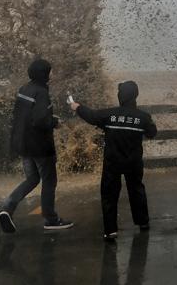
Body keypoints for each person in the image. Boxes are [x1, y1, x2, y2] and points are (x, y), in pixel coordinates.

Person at [70, 80, 157, 241]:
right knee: (136, 190)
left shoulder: (109, 115)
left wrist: (77, 107)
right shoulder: (143, 117)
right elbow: (152, 133)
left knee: (109, 194)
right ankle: (142, 222)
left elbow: (92, 116)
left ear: (120, 96)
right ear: (135, 96)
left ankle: (110, 230)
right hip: (134, 162)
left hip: (112, 162)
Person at [0, 58, 74, 232]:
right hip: (39, 146)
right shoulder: (41, 92)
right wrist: (54, 122)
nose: (51, 74)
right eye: (50, 71)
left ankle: (6, 208)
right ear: (44, 74)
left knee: (32, 179)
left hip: (23, 144)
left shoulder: (24, 89)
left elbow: (25, 116)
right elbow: (40, 120)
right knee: (49, 181)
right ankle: (51, 219)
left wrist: (48, 119)